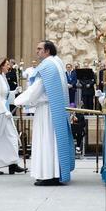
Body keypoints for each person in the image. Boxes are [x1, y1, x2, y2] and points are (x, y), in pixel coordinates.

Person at [13, 40, 74, 186]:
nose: (37, 51)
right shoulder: (58, 63)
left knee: (46, 141)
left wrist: (17, 100)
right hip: (55, 109)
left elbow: (37, 89)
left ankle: (48, 175)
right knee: (53, 142)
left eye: (40, 49)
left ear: (47, 51)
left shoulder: (46, 66)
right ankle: (56, 172)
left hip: (46, 111)